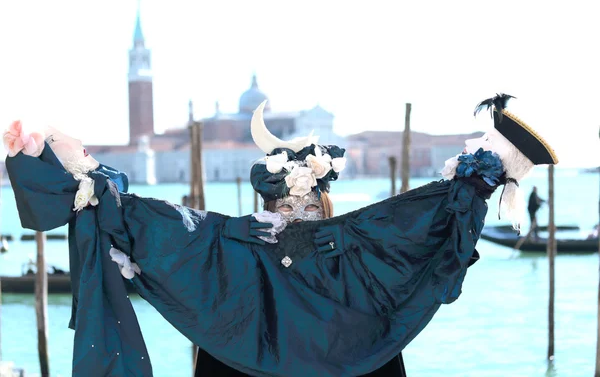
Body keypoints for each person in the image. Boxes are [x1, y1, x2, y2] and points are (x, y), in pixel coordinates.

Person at [3, 93, 557, 377]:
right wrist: (491, 165)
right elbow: (428, 223)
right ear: (325, 197)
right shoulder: (367, 254)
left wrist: (47, 150)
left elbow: (123, 212)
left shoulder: (217, 248)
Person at [194, 109, 407, 376]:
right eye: (284, 208)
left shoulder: (349, 260)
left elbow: (407, 248)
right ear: (269, 210)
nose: (296, 217)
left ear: (325, 209)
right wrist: (222, 232)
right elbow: (188, 253)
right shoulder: (247, 261)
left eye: (309, 208)